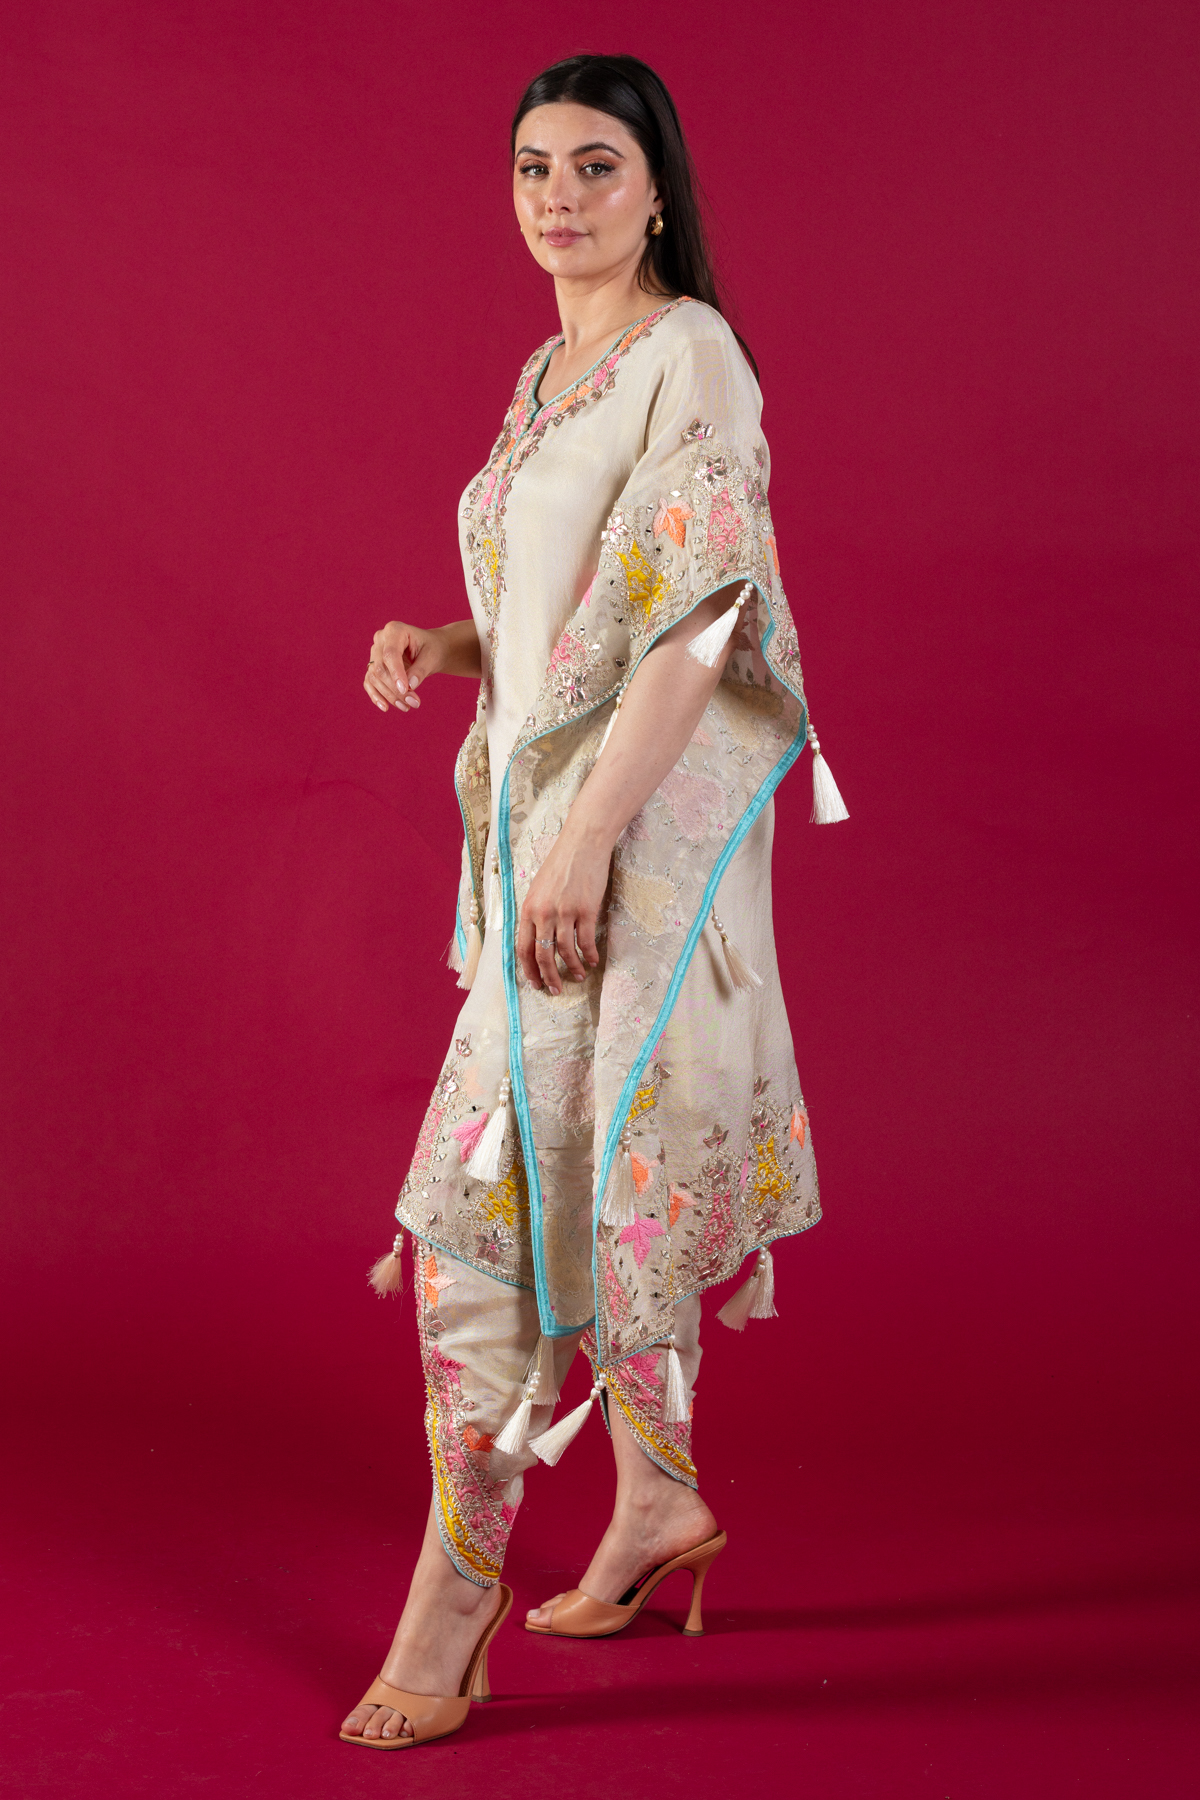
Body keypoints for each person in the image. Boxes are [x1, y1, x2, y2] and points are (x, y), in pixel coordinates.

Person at [340, 52, 846, 1751]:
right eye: (532, 167)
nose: (557, 196)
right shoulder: (554, 372)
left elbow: (703, 620)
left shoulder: (690, 351)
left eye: (595, 166)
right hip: (542, 844)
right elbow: (576, 609)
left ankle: (453, 1590)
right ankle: (653, 1500)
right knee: (591, 1173)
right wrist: (451, 641)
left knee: (489, 1201)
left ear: (657, 189)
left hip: (623, 852)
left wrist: (584, 847)